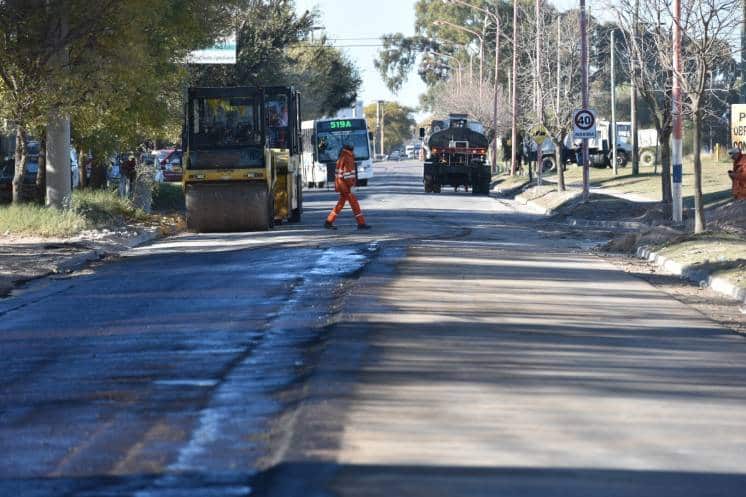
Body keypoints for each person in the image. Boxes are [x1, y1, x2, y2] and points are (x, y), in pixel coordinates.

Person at [325, 143, 371, 230]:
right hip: (346, 185)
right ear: (351, 149)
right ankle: (361, 224)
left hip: (341, 184)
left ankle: (329, 221)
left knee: (341, 204)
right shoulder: (348, 157)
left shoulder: (343, 156)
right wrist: (351, 185)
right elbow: (348, 174)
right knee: (354, 203)